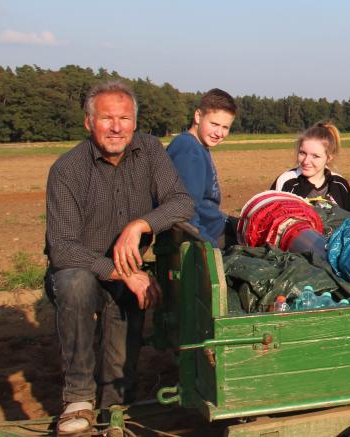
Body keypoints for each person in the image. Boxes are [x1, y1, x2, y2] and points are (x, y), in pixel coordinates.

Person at [44, 81, 193, 435]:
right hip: (81, 267)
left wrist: (140, 225)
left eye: (124, 118)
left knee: (122, 343)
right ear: (88, 122)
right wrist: (122, 271)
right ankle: (78, 397)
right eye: (106, 118)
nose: (116, 127)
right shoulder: (67, 170)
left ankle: (115, 404)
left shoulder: (150, 151)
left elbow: (181, 201)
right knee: (76, 283)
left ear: (134, 122)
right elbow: (62, 247)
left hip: (129, 270)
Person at [166, 88, 236, 246]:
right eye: (214, 124)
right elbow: (185, 212)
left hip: (216, 226)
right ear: (198, 116)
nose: (219, 133)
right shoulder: (188, 149)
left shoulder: (198, 146)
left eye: (225, 127)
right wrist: (210, 248)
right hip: (207, 236)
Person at [270, 122, 350, 210]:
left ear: (329, 158)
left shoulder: (339, 184)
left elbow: (349, 217)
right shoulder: (286, 182)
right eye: (302, 153)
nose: (306, 161)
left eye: (315, 156)